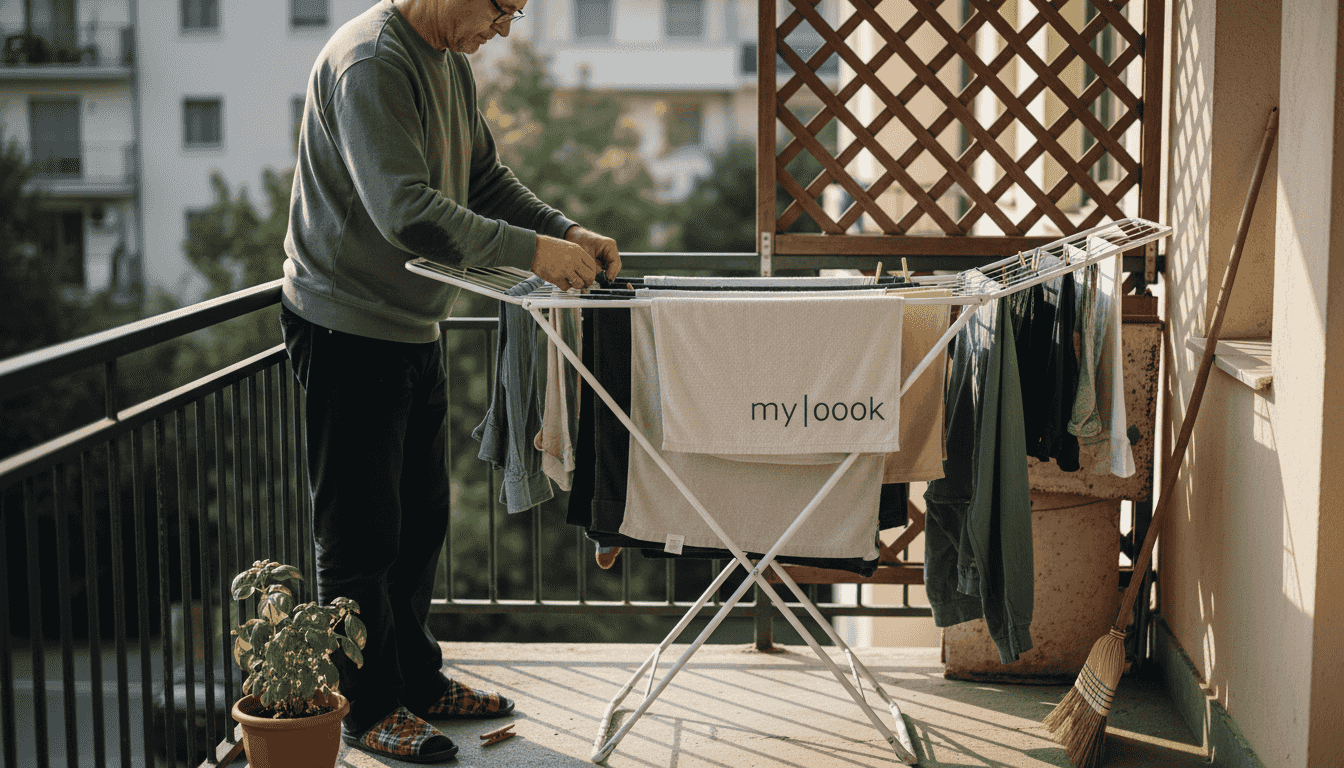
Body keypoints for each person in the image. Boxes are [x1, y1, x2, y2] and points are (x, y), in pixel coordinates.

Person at [279, 0, 621, 761]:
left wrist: (563, 232)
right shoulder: (372, 61)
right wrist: (531, 255)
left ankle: (417, 679)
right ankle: (367, 709)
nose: (506, 28)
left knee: (421, 518)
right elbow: (406, 212)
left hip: (408, 323)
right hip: (345, 325)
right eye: (503, 7)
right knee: (360, 535)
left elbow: (483, 180)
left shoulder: (448, 65)